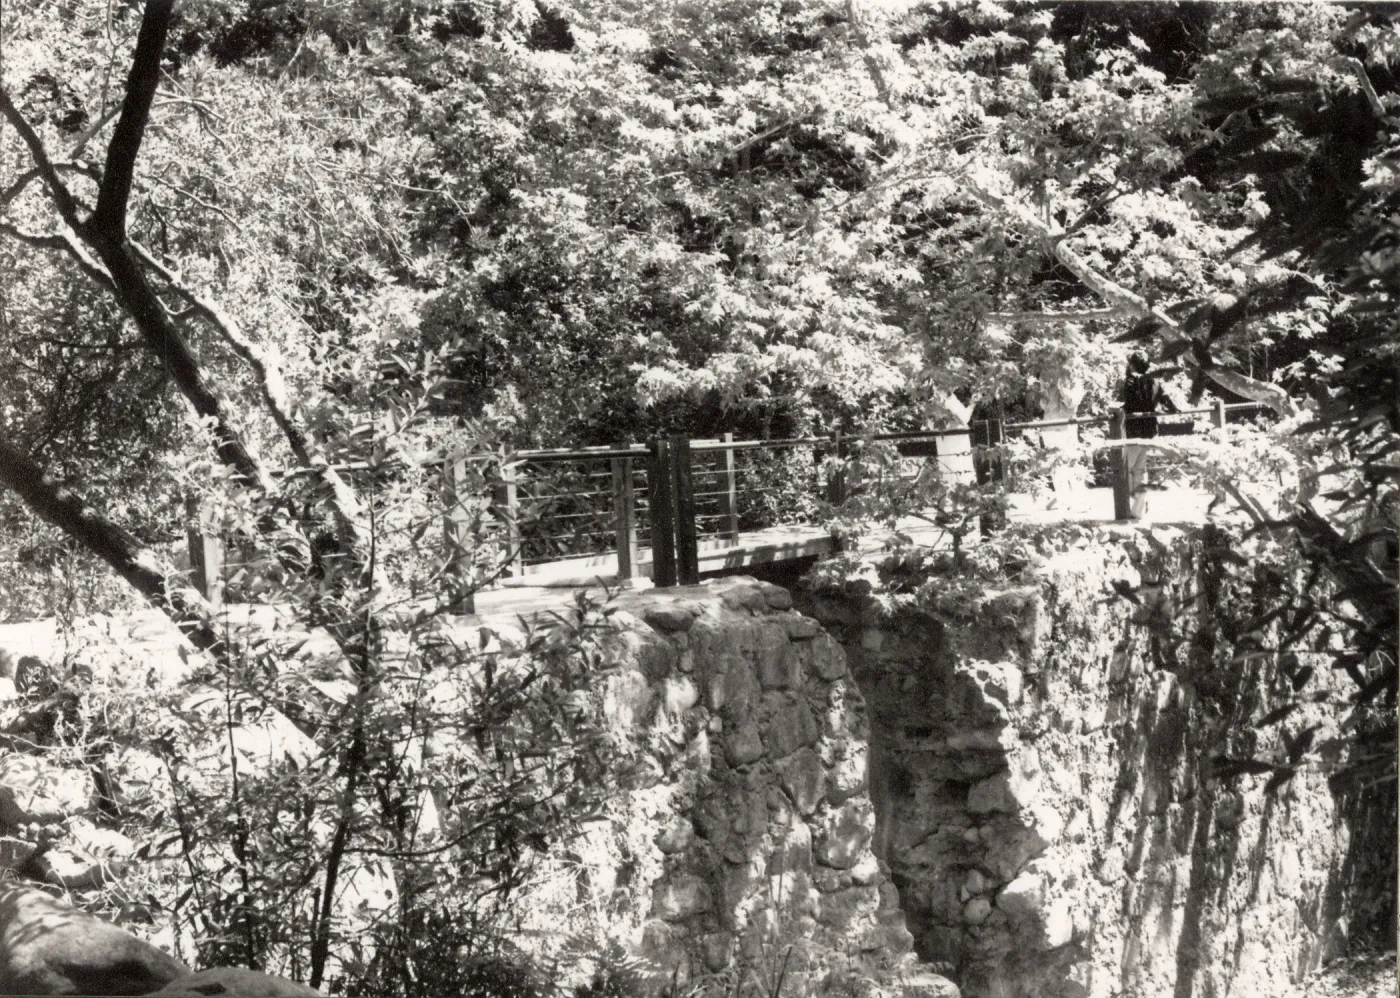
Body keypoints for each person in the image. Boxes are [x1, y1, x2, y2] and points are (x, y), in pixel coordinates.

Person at [1120, 351, 1177, 518]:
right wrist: (1173, 409)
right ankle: (1138, 510)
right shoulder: (1154, 382)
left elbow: (1126, 403)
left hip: (1132, 431)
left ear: (1132, 365)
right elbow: (1166, 400)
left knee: (1125, 470)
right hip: (1147, 431)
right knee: (1139, 471)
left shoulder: (1131, 382)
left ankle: (1126, 508)